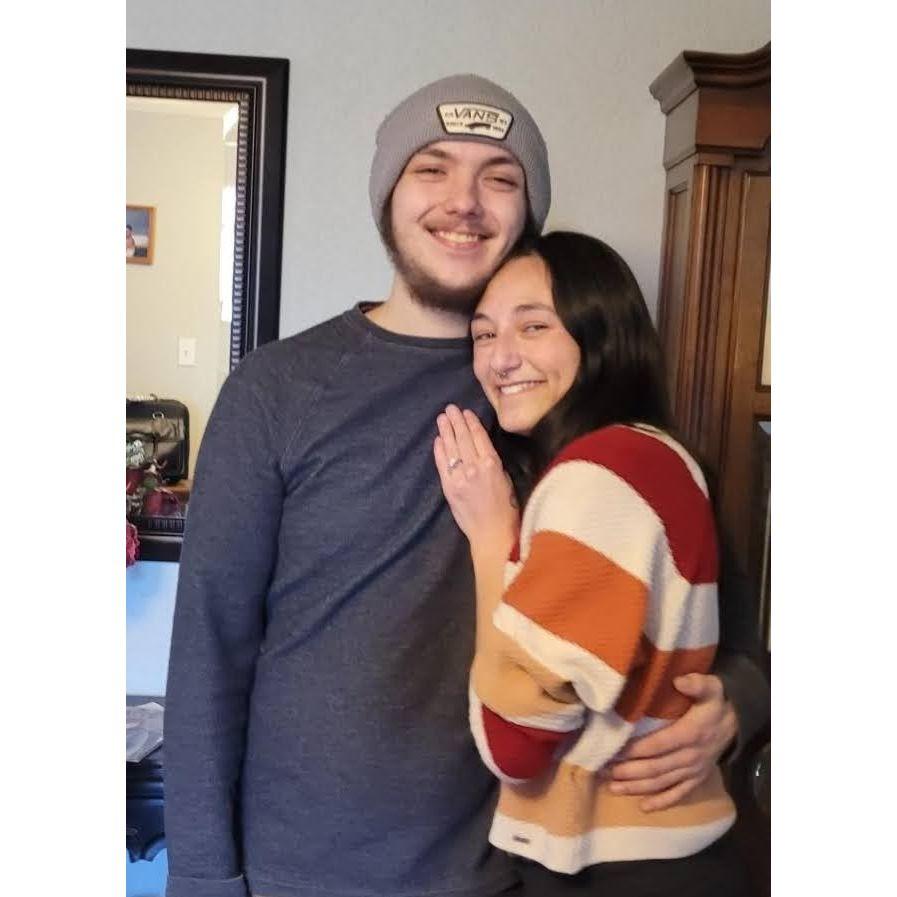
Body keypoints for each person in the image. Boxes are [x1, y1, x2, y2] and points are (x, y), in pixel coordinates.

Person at [163, 75, 768, 897]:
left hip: (516, 872)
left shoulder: (563, 394)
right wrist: (202, 875)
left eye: (500, 177)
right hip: (306, 870)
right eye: (431, 168)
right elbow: (209, 648)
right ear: (388, 194)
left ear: (529, 213)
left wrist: (732, 703)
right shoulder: (276, 391)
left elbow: (725, 615)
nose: (464, 201)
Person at [433, 231, 751, 896]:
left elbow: (515, 745)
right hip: (662, 854)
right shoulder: (650, 457)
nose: (500, 358)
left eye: (534, 326)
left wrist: (491, 537)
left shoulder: (601, 474)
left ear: (601, 335)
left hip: (625, 867)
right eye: (484, 335)